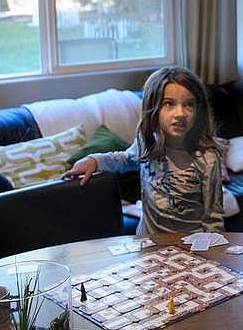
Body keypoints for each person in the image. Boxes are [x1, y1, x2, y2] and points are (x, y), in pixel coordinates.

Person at [63, 66, 224, 234]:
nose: (180, 114)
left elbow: (213, 218)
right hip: (148, 245)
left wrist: (212, 252)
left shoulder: (208, 158)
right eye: (169, 104)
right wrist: (94, 161)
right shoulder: (147, 143)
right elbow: (125, 159)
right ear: (153, 108)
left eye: (189, 104)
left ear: (199, 111)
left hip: (190, 249)